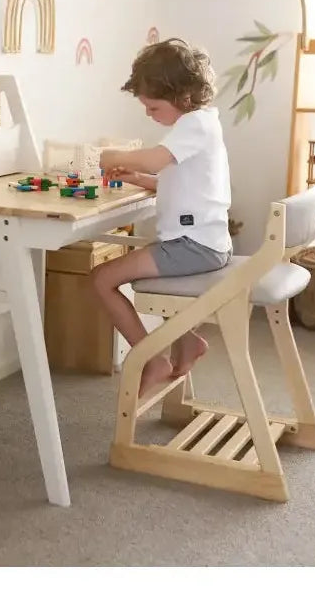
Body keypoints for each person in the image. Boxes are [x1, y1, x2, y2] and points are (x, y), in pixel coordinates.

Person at [94, 37, 233, 397]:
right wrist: (137, 178)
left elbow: (157, 158)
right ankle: (187, 343)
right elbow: (177, 180)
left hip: (194, 247)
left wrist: (111, 155)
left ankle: (152, 358)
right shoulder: (201, 124)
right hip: (204, 242)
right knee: (132, 268)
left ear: (181, 96)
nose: (148, 114)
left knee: (100, 279)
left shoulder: (194, 125)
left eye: (153, 107)